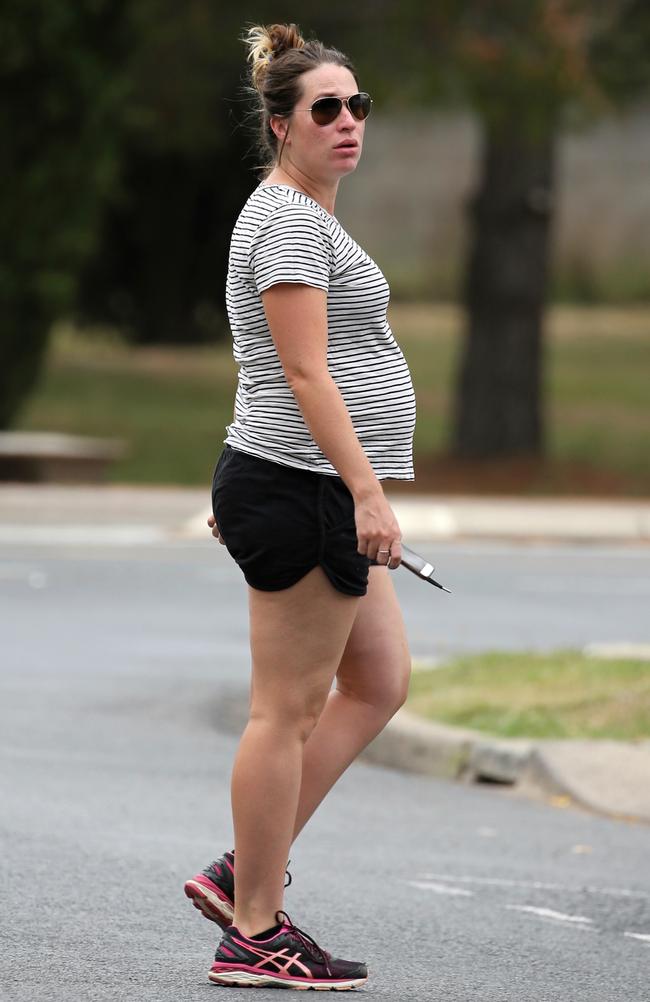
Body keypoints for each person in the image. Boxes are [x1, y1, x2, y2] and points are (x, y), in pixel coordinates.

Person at [183, 21, 416, 990]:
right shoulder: (284, 220)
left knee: (379, 680)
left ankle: (249, 864)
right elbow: (301, 370)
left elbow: (275, 372)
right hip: (306, 489)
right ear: (282, 124)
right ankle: (252, 930)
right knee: (284, 711)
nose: (347, 122)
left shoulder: (308, 217)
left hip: (296, 485)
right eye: (326, 108)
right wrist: (363, 489)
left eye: (357, 105)